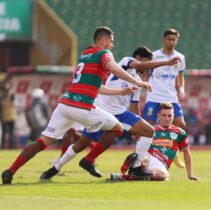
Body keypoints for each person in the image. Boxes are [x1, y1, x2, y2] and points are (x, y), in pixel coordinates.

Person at [1, 26, 152, 185]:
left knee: (42, 142)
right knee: (117, 128)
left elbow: (96, 87)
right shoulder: (104, 53)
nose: (112, 45)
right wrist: (137, 81)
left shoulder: (85, 55)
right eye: (111, 41)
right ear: (103, 40)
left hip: (65, 104)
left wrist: (120, 92)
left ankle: (10, 171)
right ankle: (89, 160)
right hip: (83, 106)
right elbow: (113, 67)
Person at [40, 46, 180, 180]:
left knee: (148, 131)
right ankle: (55, 168)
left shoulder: (138, 81)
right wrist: (166, 62)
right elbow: (140, 66)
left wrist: (136, 128)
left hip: (120, 114)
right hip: (101, 110)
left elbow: (134, 105)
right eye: (147, 62)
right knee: (81, 144)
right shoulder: (125, 62)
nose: (148, 68)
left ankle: (135, 167)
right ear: (137, 58)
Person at [111, 102, 199, 181]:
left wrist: (190, 174)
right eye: (164, 115)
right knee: (143, 159)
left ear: (173, 116)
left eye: (169, 115)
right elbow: (139, 142)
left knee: (162, 175)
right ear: (158, 115)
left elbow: (186, 152)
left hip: (162, 163)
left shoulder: (180, 132)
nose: (167, 118)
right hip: (148, 156)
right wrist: (136, 136)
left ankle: (126, 176)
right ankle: (134, 163)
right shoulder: (150, 130)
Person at [142, 29, 187, 167]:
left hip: (171, 96)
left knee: (181, 124)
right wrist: (143, 83)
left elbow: (180, 75)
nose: (171, 42)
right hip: (154, 96)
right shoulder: (155, 55)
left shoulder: (180, 57)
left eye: (174, 39)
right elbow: (146, 71)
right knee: (146, 125)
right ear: (164, 39)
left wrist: (181, 89)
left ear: (176, 41)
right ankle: (144, 153)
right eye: (169, 39)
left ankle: (173, 154)